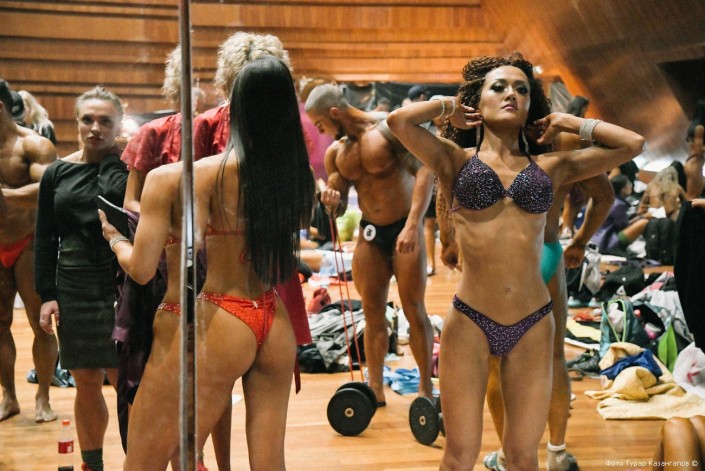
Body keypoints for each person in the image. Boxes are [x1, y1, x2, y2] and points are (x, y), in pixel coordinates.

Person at [387, 52, 645, 469]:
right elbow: (398, 122)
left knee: (524, 457)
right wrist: (450, 107)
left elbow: (634, 144)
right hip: (469, 321)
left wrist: (569, 122)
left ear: (530, 104)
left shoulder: (552, 165)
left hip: (533, 323)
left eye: (521, 89)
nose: (511, 94)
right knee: (459, 455)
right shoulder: (455, 160)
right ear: (479, 100)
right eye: (499, 87)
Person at [101, 55, 314, 470]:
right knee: (270, 463)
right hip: (272, 317)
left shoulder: (177, 177)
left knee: (144, 461)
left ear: (234, 107)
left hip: (215, 314)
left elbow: (142, 270)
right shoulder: (296, 177)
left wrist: (114, 239)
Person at [117, 45, 229, 469]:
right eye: (186, 79)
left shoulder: (217, 132)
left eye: (200, 80)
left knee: (212, 369)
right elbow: (131, 200)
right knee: (154, 363)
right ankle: (158, 453)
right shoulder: (152, 133)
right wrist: (164, 224)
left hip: (211, 262)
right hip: (162, 259)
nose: (194, 88)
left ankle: (203, 456)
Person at [305, 83, 436, 405]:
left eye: (321, 124)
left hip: (404, 228)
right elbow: (336, 205)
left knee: (414, 309)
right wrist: (331, 201)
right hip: (370, 234)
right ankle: (374, 390)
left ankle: (425, 390)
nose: (321, 132)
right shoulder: (337, 152)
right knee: (372, 312)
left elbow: (424, 172)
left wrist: (413, 225)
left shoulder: (390, 128)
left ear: (334, 112)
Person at [35, 86, 127, 471]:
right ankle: (93, 465)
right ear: (76, 122)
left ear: (119, 126)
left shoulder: (127, 171)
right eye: (88, 119)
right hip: (72, 285)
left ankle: (141, 462)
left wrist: (111, 159)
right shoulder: (56, 173)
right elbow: (45, 236)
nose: (95, 128)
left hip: (120, 284)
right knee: (86, 381)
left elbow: (112, 202)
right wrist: (47, 294)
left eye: (105, 121)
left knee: (127, 384)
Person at [0, 78, 58, 423]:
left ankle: (43, 396)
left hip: (29, 242)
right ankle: (8, 396)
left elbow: (49, 190)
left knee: (42, 324)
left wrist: (5, 195)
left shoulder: (33, 145)